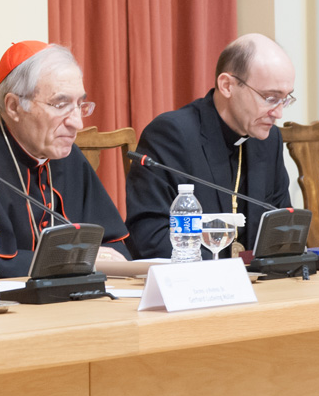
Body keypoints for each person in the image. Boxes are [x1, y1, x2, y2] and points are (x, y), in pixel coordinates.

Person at [0, 41, 130, 281]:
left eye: (79, 105)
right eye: (61, 105)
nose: (77, 123)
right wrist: (73, 260)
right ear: (14, 107)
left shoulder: (68, 157)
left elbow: (115, 250)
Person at [124, 33, 295, 259]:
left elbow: (281, 228)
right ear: (227, 85)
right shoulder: (171, 135)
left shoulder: (269, 139)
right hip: (196, 285)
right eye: (270, 98)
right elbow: (150, 237)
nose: (279, 113)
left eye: (285, 99)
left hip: (259, 286)